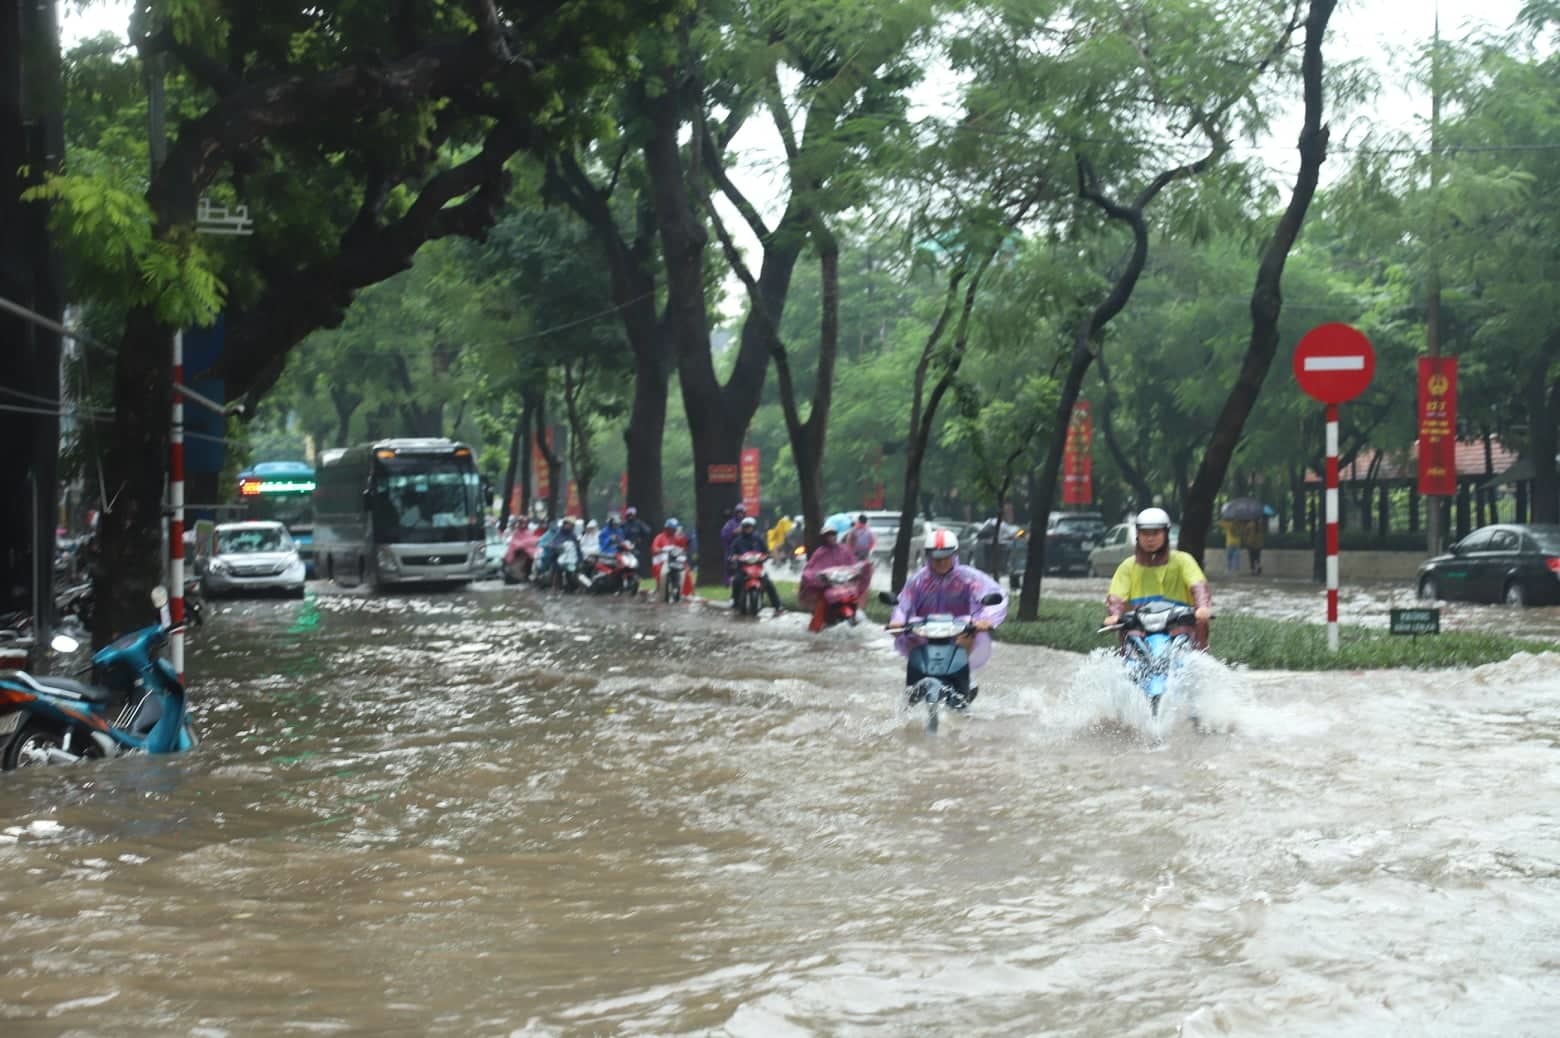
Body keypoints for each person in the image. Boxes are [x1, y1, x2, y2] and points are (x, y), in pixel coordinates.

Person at [889, 528, 1008, 705]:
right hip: (925, 631)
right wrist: (897, 621)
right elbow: (904, 604)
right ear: (928, 556)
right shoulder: (918, 580)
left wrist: (986, 619)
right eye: (937, 558)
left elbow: (996, 596)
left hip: (959, 629)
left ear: (955, 554)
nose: (942, 562)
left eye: (946, 557)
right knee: (911, 636)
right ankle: (913, 690)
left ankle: (963, 675)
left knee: (968, 634)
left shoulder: (969, 578)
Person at [1104, 507, 1212, 649]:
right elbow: (1116, 596)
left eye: (1156, 533)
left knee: (1198, 646)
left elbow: (1198, 586)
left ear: (1166, 533)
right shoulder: (1127, 566)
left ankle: (1199, 658)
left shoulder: (1183, 561)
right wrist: (1114, 615)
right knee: (1126, 654)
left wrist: (1202, 607)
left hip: (1179, 629)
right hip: (1139, 631)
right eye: (1145, 533)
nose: (1150, 538)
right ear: (1138, 535)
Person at [799, 516, 873, 631]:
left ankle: (856, 615)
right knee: (822, 602)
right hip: (828, 586)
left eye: (833, 534)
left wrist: (860, 568)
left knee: (854, 597)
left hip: (844, 586)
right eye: (828, 535)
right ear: (824, 537)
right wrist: (817, 577)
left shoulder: (844, 550)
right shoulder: (820, 553)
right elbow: (809, 570)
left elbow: (853, 563)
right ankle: (816, 628)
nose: (831, 537)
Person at [727, 515, 782, 614]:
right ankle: (735, 602)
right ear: (743, 528)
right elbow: (731, 553)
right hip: (743, 567)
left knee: (768, 583)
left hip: (758, 567)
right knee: (737, 581)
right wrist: (734, 557)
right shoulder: (737, 541)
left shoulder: (758, 539)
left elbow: (766, 551)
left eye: (750, 527)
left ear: (753, 527)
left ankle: (777, 605)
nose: (748, 529)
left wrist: (768, 556)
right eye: (746, 527)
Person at [650, 517, 695, 599]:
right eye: (671, 529)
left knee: (686, 570)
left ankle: (688, 593)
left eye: (674, 529)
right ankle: (661, 590)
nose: (672, 531)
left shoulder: (677, 537)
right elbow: (654, 548)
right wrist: (660, 550)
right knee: (660, 571)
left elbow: (684, 545)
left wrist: (687, 540)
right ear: (666, 528)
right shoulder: (659, 537)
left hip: (675, 560)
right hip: (662, 561)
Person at [621, 506, 654, 576]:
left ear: (634, 515)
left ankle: (641, 581)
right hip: (625, 549)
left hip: (637, 548)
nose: (630, 516)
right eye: (628, 514)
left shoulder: (639, 523)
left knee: (639, 565)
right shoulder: (624, 524)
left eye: (631, 514)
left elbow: (648, 531)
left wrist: (640, 538)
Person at [719, 503, 747, 578]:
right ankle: (728, 582)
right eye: (739, 513)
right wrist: (733, 532)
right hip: (732, 549)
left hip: (745, 549)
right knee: (730, 566)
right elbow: (723, 535)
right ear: (736, 513)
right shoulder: (730, 523)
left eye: (742, 513)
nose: (740, 515)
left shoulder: (747, 522)